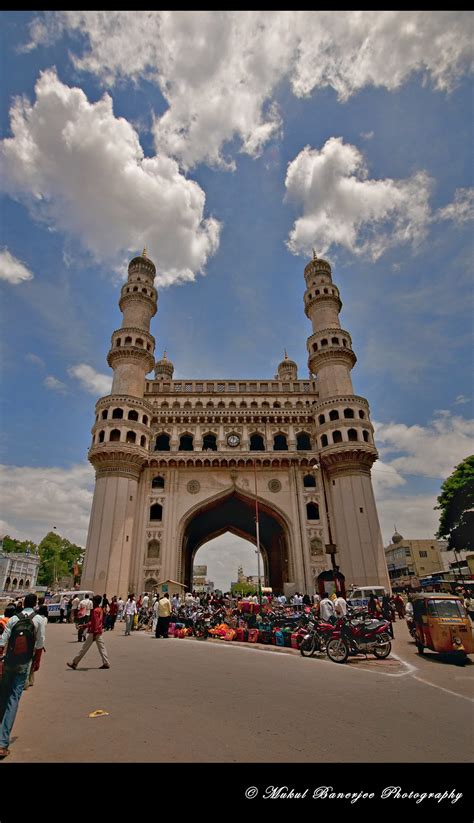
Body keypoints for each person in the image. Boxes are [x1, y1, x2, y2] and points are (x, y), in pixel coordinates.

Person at [0, 593, 45, 758]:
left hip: (8, 661)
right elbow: (40, 644)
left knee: (3, 695)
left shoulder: (13, 619)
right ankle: (2, 743)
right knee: (13, 699)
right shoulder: (38, 620)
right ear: (36, 605)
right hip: (24, 663)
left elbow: (2, 641)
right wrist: (37, 663)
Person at [67, 595, 110, 670]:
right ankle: (106, 663)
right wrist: (85, 625)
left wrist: (94, 632)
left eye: (93, 601)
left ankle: (75, 663)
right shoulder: (100, 610)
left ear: (96, 602)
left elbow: (95, 623)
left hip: (94, 632)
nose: (92, 602)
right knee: (102, 648)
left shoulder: (95, 611)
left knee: (84, 648)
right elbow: (95, 622)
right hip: (98, 631)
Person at [24, 601, 48, 690]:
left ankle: (27, 681)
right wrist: (40, 647)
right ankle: (28, 681)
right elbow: (41, 636)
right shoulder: (42, 619)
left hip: (23, 641)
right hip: (34, 642)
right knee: (30, 663)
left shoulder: (18, 617)